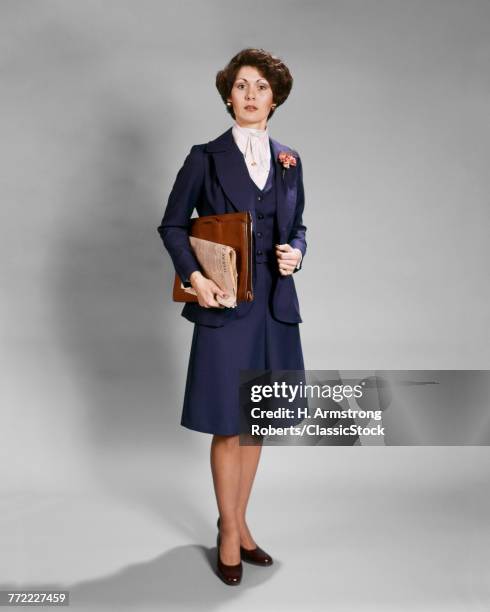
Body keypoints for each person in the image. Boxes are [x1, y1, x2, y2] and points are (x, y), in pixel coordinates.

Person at [157, 48, 307, 586]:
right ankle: (227, 533)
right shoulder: (204, 156)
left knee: (258, 421)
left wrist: (296, 252)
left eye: (261, 87)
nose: (250, 95)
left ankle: (241, 523)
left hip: (274, 306)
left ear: (275, 98)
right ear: (228, 95)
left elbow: (299, 227)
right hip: (225, 302)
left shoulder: (290, 160)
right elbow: (173, 226)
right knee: (229, 422)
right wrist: (195, 279)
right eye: (242, 85)